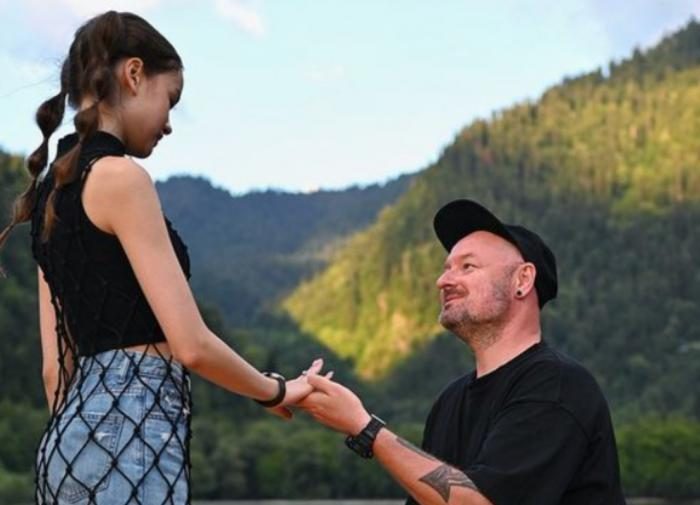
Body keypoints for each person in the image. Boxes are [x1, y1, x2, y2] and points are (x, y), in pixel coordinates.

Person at [0, 11, 324, 504]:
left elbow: (54, 370)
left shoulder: (50, 196)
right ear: (134, 74)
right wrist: (275, 390)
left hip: (65, 444)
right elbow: (191, 344)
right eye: (169, 99)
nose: (170, 123)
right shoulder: (121, 178)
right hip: (133, 429)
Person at [298, 199, 627, 505]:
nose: (443, 280)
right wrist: (283, 392)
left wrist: (365, 429)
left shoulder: (557, 385)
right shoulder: (450, 401)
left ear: (523, 280)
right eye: (446, 268)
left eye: (467, 266)